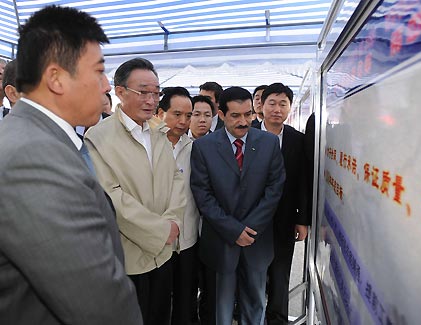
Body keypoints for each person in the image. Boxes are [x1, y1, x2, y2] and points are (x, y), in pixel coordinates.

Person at [0, 5, 142, 325]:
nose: (107, 86)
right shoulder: (33, 159)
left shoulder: (40, 139)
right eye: (99, 71)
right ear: (56, 78)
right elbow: (101, 307)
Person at [84, 57, 185, 325]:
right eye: (144, 92)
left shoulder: (158, 132)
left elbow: (176, 179)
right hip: (128, 257)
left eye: (156, 93)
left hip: (162, 254)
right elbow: (111, 197)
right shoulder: (98, 138)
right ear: (120, 92)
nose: (152, 100)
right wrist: (162, 231)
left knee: (161, 316)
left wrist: (174, 221)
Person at [190, 86, 285, 325]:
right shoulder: (204, 147)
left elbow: (275, 189)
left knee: (255, 303)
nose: (243, 121)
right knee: (220, 308)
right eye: (235, 115)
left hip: (257, 240)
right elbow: (203, 194)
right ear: (220, 115)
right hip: (221, 242)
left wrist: (249, 229)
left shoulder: (269, 143)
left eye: (248, 114)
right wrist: (233, 230)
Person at [255, 83, 309, 325]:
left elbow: (304, 181)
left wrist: (303, 219)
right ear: (262, 106)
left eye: (283, 104)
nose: (277, 109)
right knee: (253, 273)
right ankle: (251, 316)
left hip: (285, 218)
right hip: (251, 218)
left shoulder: (298, 140)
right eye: (272, 103)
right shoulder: (247, 134)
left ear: (290, 107)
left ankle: (276, 319)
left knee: (280, 273)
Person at [157, 86, 200, 325]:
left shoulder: (195, 148)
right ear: (161, 112)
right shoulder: (148, 145)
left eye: (188, 115)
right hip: (156, 237)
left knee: (186, 298)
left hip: (187, 238)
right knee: (158, 300)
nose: (183, 121)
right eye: (177, 114)